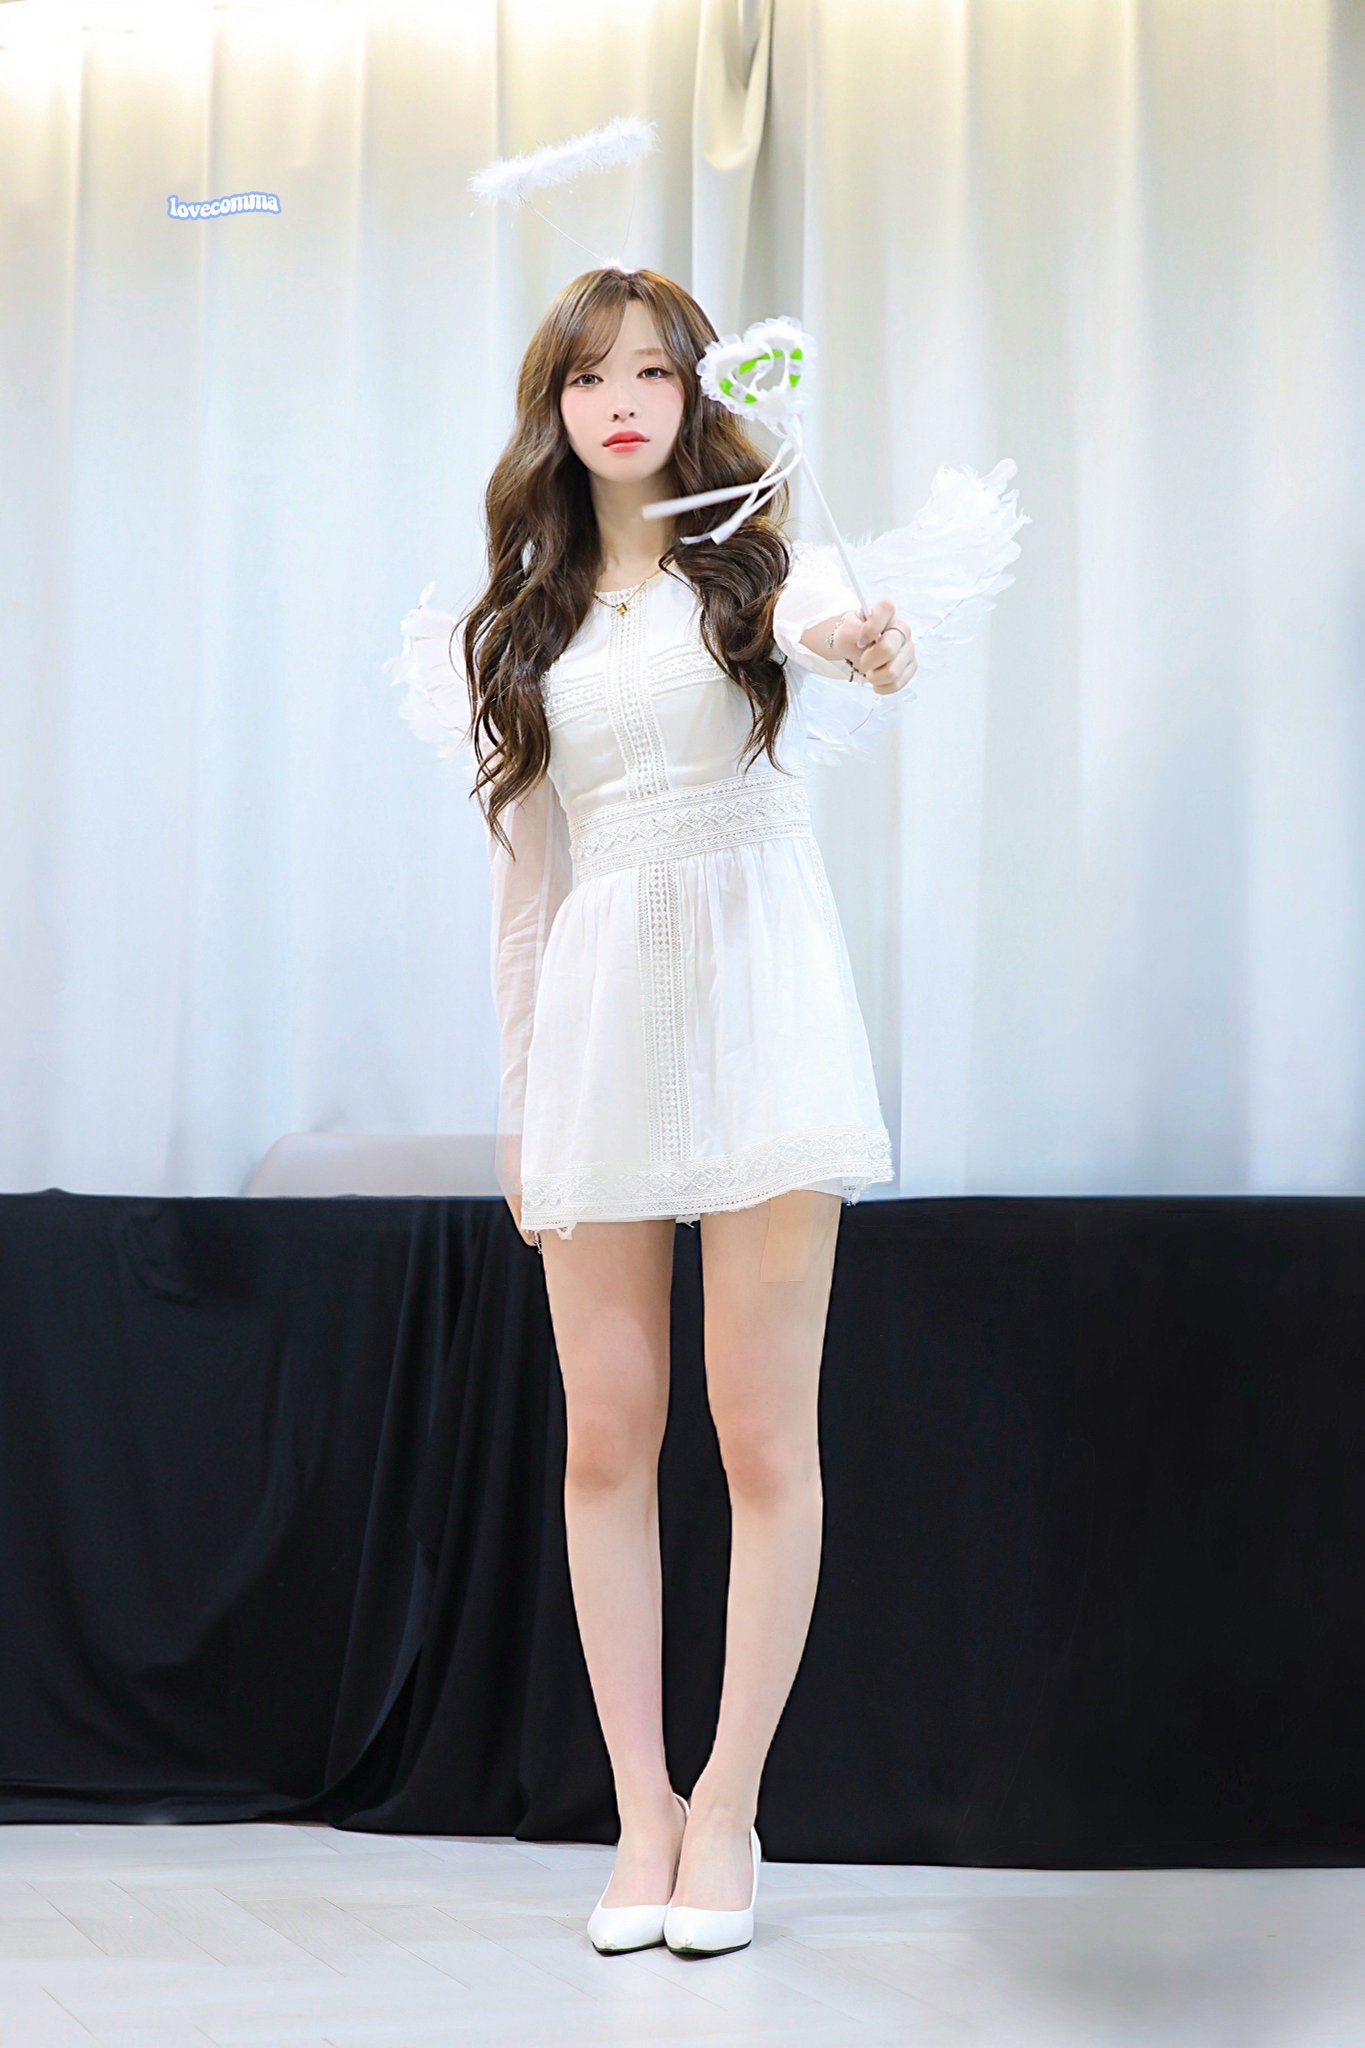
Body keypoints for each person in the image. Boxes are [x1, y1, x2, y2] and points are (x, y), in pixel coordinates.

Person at [460, 266, 915, 1956]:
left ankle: (728, 1807)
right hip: (597, 1039)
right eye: (589, 377)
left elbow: (849, 633)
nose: (622, 403)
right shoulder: (521, 628)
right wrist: (521, 1112)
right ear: (554, 408)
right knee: (604, 1439)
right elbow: (525, 898)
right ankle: (640, 1813)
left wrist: (868, 638)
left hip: (761, 1013)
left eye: (652, 371)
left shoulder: (764, 565)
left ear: (694, 391)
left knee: (761, 1436)